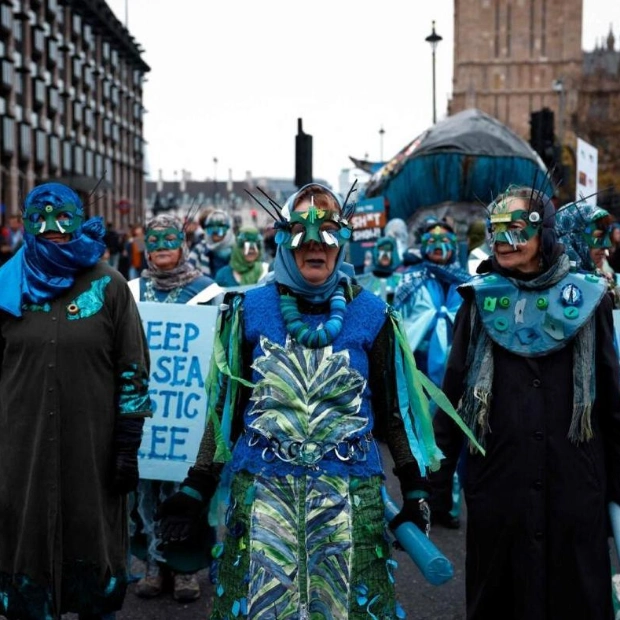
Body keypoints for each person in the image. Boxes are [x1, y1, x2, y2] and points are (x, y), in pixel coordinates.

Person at [155, 183, 458, 618]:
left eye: (328, 231)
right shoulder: (248, 310)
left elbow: (396, 413)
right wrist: (194, 486)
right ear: (282, 238)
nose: (315, 243)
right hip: (263, 503)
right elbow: (226, 412)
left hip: (349, 506)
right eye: (301, 231)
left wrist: (415, 490)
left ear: (344, 241)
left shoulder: (373, 314)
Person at [429, 185, 620, 619]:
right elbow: (454, 397)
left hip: (574, 492)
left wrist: (615, 489)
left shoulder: (589, 300)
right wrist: (433, 488)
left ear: (544, 234)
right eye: (496, 230)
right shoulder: (478, 301)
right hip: (500, 489)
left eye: (514, 229)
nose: (502, 240)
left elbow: (611, 403)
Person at [0, 182, 153, 620]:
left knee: (91, 545)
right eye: (39, 217)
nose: (51, 228)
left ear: (78, 219)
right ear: (26, 221)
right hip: (19, 451)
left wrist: (127, 444)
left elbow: (133, 370)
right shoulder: (5, 286)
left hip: (93, 450)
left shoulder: (110, 286)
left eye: (62, 216)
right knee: (24, 545)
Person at [127, 213, 221, 603]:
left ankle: (185, 570)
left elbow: (220, 348)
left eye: (170, 239)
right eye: (155, 239)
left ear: (183, 244)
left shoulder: (207, 290)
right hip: (145, 410)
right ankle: (154, 562)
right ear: (145, 246)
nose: (162, 246)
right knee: (144, 489)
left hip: (187, 413)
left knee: (187, 487)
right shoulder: (129, 290)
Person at [555, 200, 620, 307]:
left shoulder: (603, 279)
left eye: (608, 236)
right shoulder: (554, 285)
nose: (607, 244)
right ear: (574, 238)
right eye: (599, 236)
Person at [188, 209, 235, 278]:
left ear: (228, 230)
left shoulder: (238, 250)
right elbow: (188, 271)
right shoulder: (199, 249)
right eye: (211, 227)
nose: (215, 231)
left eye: (220, 228)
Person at [357, 235, 403, 304]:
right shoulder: (362, 282)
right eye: (381, 249)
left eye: (388, 250)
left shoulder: (401, 280)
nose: (385, 254)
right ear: (376, 252)